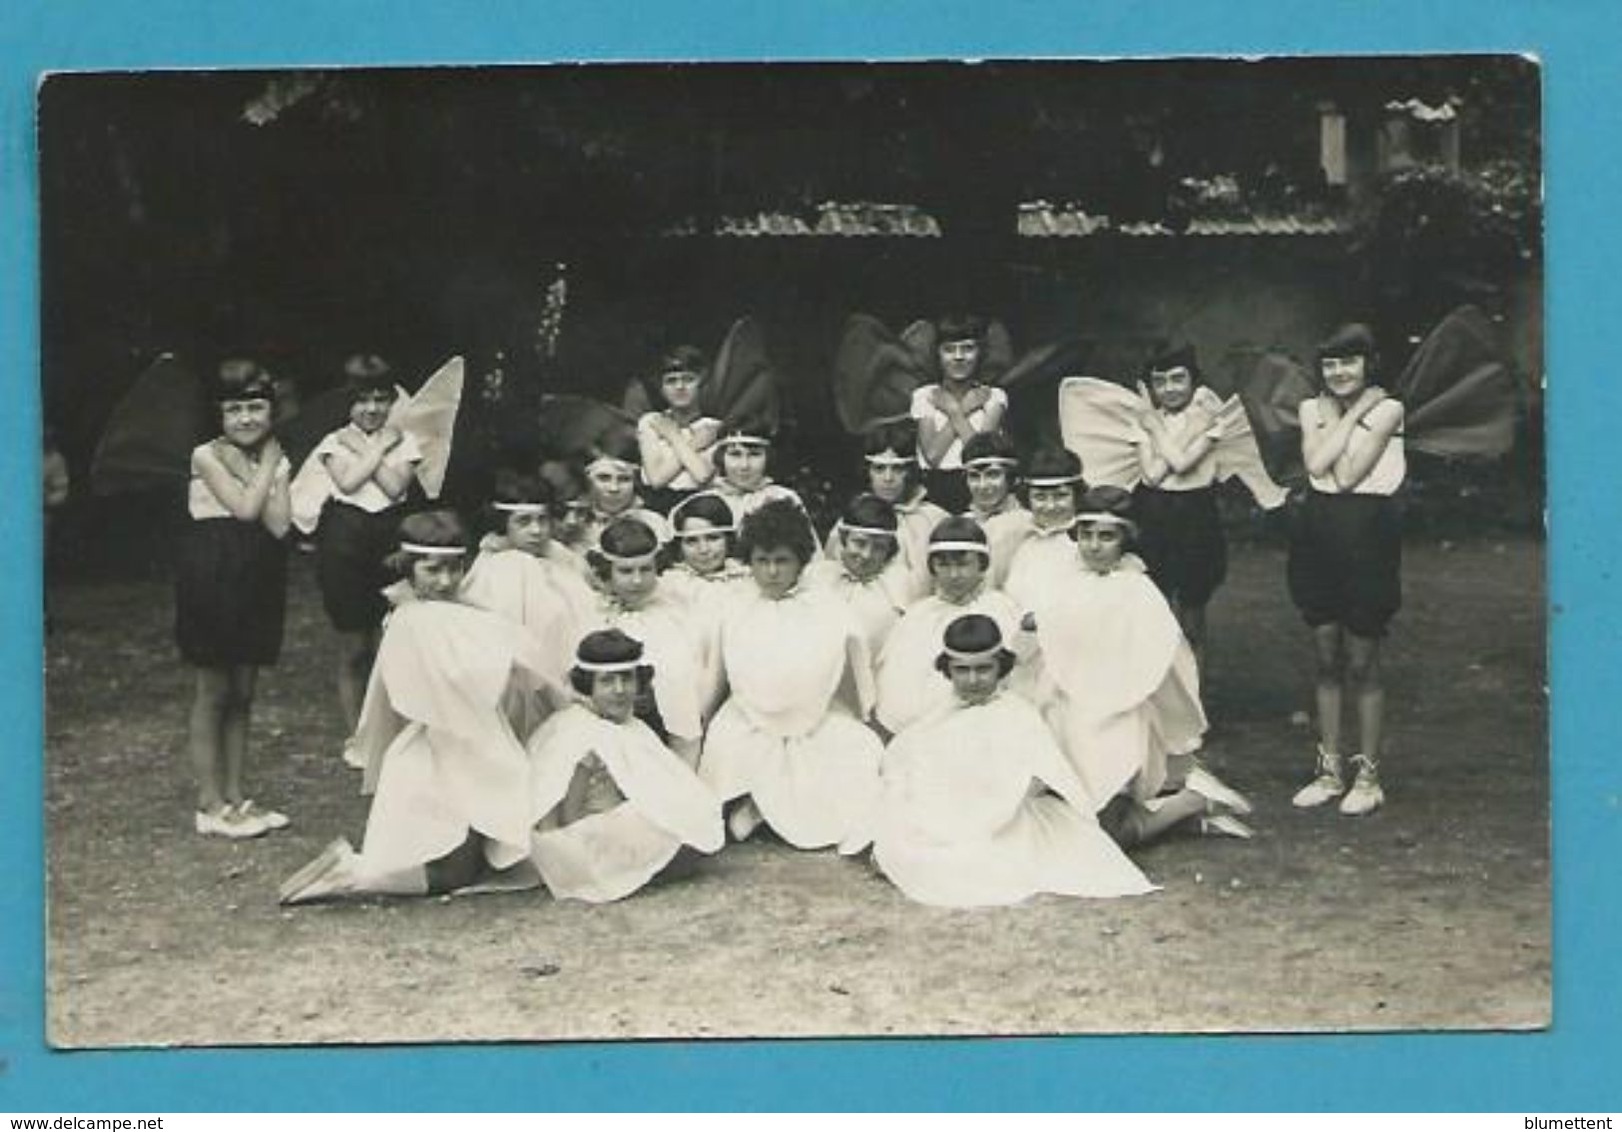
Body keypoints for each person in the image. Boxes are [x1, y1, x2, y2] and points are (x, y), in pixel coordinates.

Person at [278, 510, 561, 904]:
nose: (445, 581)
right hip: (441, 751)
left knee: (477, 863)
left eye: (454, 569)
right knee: (452, 872)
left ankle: (358, 871)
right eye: (432, 570)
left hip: (473, 743)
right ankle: (353, 874)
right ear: (410, 568)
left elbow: (507, 644)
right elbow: (435, 687)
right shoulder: (412, 621)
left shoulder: (457, 611)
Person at [871, 614, 1156, 907]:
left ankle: (1185, 803)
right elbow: (908, 763)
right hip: (947, 808)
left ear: (1000, 668)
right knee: (906, 845)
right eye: (962, 670)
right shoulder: (938, 712)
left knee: (975, 863)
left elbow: (1041, 776)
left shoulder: (1017, 714)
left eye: (983, 669)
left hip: (1004, 817)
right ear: (948, 670)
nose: (972, 680)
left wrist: (994, 803)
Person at [1027, 486, 1253, 843]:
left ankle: (1193, 802)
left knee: (1109, 837)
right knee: (1059, 824)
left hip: (1117, 712)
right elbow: (1053, 625)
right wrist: (1040, 621)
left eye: (1105, 537)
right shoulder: (1068, 580)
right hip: (1069, 707)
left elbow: (1157, 657)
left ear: (1124, 540)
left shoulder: (1137, 589)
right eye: (1086, 535)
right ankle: (1173, 818)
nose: (1093, 545)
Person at [699, 499, 884, 849]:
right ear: (749, 562)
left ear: (800, 562)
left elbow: (851, 672)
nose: (771, 572)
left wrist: (855, 711)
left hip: (812, 714)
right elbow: (718, 673)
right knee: (731, 747)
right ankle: (758, 803)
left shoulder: (827, 606)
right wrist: (704, 718)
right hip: (749, 714)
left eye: (781, 561)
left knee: (856, 751)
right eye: (762, 561)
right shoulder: (732, 606)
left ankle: (766, 808)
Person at [1286, 324, 1405, 817]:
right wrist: (1354, 413)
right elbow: (1318, 466)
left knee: (1363, 660)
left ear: (1368, 364)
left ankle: (1369, 774)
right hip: (1318, 530)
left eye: (1349, 363)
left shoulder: (1391, 408)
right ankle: (1330, 769)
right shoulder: (1311, 408)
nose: (1339, 373)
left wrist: (1346, 425)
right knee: (1326, 654)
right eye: (1330, 364)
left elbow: (1352, 476)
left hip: (1367, 533)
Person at [178, 358, 292, 839]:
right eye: (235, 409)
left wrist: (273, 470)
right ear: (220, 415)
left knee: (244, 692)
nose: (246, 418)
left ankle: (236, 794)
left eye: (256, 407)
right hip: (212, 572)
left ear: (271, 410)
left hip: (257, 574)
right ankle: (210, 803)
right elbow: (246, 510)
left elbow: (280, 525)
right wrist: (268, 465)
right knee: (214, 691)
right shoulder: (206, 454)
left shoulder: (275, 459)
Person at [528, 629, 725, 903]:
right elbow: (566, 819)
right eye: (607, 681)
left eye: (626, 679)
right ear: (588, 686)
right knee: (683, 843)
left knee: (695, 823)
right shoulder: (579, 733)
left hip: (610, 821)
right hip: (588, 837)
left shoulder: (626, 725)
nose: (620, 690)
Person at [293, 354, 421, 745]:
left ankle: (395, 730)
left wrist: (377, 447)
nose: (371, 409)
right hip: (344, 544)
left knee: (391, 640)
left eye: (381, 400)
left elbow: (395, 489)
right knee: (354, 644)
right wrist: (376, 448)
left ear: (391, 402)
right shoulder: (332, 443)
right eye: (362, 400)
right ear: (348, 402)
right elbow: (347, 485)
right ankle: (357, 737)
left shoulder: (405, 441)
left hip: (388, 541)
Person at [460, 469, 599, 735]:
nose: (536, 531)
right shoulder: (501, 565)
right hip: (526, 674)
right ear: (504, 524)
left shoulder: (559, 557)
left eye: (542, 521)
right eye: (523, 522)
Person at [875, 515, 1028, 737]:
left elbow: (1020, 681)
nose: (954, 575)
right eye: (943, 565)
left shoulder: (1004, 611)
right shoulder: (918, 616)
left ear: (982, 564)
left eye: (963, 564)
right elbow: (898, 689)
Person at [1132, 344, 1228, 672]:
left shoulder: (1208, 418)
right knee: (1156, 610)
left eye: (1178, 379)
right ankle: (1161, 697)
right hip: (1153, 514)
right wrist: (1163, 428)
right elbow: (1152, 475)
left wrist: (1156, 430)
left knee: (1192, 613)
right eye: (1160, 382)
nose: (1169, 389)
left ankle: (1195, 698)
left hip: (1195, 515)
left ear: (1193, 380)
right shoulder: (1146, 420)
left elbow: (1183, 464)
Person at [584, 517, 705, 765]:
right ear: (608, 571)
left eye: (645, 569)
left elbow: (687, 677)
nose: (637, 580)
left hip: (667, 725)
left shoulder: (675, 612)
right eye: (626, 571)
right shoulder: (594, 615)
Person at [659, 492, 749, 716]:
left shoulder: (747, 582)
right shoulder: (670, 586)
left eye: (713, 538)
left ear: (728, 538)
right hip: (684, 684)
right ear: (679, 545)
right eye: (692, 541)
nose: (704, 550)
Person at [910, 314, 1008, 514]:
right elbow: (932, 456)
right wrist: (961, 409)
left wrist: (954, 411)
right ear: (937, 354)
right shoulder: (925, 395)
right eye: (949, 349)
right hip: (934, 489)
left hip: (978, 488)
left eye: (967, 348)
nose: (958, 356)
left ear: (980, 352)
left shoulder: (993, 396)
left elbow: (982, 453)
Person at [849, 420, 948, 598]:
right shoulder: (851, 519)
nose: (888, 478)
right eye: (879, 469)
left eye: (897, 469)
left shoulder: (935, 519)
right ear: (867, 471)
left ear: (910, 470)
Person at [804, 493, 911, 657]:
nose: (867, 554)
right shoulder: (818, 576)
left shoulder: (897, 584)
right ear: (844, 538)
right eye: (860, 543)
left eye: (879, 547)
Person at [1003, 446, 1087, 612]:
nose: (1050, 506)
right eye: (1040, 497)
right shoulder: (1021, 543)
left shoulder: (1086, 544)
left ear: (1076, 495)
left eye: (1060, 496)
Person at [635, 345, 721, 506]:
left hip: (701, 504)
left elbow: (702, 476)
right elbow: (656, 479)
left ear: (701, 384)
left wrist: (673, 437)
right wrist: (692, 443)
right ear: (661, 388)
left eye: (688, 379)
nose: (680, 387)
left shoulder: (712, 426)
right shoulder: (652, 422)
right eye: (671, 381)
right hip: (657, 503)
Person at [566, 433, 671, 555]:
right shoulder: (572, 524)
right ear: (588, 481)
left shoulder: (654, 523)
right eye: (604, 478)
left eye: (624, 479)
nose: (614, 488)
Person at [959, 430, 1032, 589]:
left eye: (992, 475)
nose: (983, 485)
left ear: (1011, 478)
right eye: (974, 476)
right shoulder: (961, 524)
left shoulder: (1027, 524)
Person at [707, 422, 811, 533]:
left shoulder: (784, 498)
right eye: (735, 454)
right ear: (721, 458)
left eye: (754, 454)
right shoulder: (707, 501)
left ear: (768, 458)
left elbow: (806, 547)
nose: (744, 465)